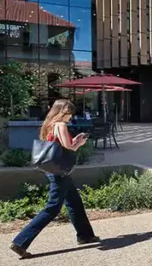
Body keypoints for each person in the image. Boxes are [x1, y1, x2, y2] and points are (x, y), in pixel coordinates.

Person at [11, 99, 99, 258]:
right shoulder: (61, 125)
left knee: (74, 202)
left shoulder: (49, 124)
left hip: (53, 168)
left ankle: (85, 235)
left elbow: (59, 145)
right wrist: (80, 143)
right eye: (69, 114)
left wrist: (75, 140)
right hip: (60, 172)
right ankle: (20, 242)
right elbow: (69, 148)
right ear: (63, 112)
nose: (70, 118)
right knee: (52, 208)